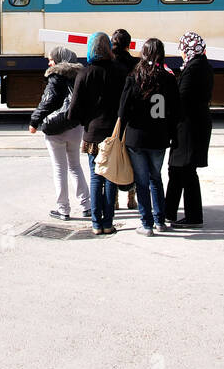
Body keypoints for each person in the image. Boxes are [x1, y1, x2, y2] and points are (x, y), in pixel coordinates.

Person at [118, 37, 181, 235]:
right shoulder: (169, 78)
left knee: (141, 181)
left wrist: (121, 134)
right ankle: (160, 221)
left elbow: (123, 110)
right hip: (160, 137)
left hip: (136, 137)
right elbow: (176, 111)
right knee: (156, 178)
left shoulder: (134, 76)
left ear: (143, 54)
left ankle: (146, 224)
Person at [67, 32, 124, 235]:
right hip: (114, 134)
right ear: (109, 48)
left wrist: (86, 123)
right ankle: (108, 222)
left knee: (95, 176)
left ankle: (96, 224)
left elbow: (73, 111)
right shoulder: (120, 72)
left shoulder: (84, 73)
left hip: (92, 135)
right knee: (110, 177)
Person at [28, 46, 88, 221]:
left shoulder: (55, 77)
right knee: (75, 167)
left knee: (59, 169)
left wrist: (34, 121)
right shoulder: (80, 74)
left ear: (59, 60)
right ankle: (86, 206)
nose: (49, 62)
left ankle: (63, 210)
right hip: (76, 127)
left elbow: (48, 101)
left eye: (51, 59)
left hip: (56, 129)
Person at [166, 31, 213, 227]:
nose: (181, 53)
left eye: (183, 49)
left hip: (189, 127)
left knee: (184, 170)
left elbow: (182, 98)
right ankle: (168, 212)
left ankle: (193, 216)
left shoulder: (194, 69)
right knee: (179, 170)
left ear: (189, 48)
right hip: (195, 124)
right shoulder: (203, 65)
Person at [109, 28, 140, 211]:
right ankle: (131, 197)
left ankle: (113, 201)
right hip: (131, 117)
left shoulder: (109, 63)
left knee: (113, 158)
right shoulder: (135, 64)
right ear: (129, 44)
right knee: (131, 158)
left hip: (113, 117)